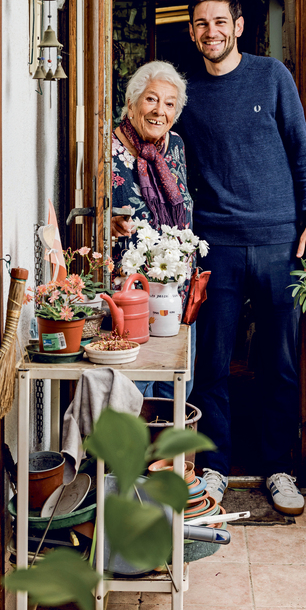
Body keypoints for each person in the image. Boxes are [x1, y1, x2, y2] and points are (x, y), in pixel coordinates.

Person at [179, 0, 306, 515]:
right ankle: (215, 468)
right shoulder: (186, 93)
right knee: (211, 365)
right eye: (200, 23)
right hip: (214, 246)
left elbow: (301, 152)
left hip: (277, 241)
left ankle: (279, 468)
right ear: (192, 30)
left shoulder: (272, 76)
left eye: (219, 21)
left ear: (238, 26)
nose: (210, 31)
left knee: (280, 363)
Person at [111, 60, 196, 397]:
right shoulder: (108, 146)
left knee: (177, 390)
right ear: (131, 103)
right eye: (151, 99)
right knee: (134, 393)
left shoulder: (175, 145)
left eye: (170, 103)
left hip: (176, 289)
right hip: (129, 293)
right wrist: (108, 223)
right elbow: (91, 208)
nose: (160, 111)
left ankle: (165, 452)